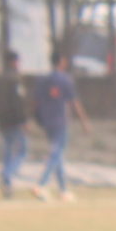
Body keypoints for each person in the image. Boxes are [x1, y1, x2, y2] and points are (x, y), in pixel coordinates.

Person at [31, 50, 88, 200]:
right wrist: (84, 121)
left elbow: (36, 101)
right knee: (56, 153)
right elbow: (74, 102)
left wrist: (37, 116)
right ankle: (41, 184)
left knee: (58, 154)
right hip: (60, 120)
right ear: (61, 62)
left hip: (47, 120)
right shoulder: (65, 80)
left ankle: (63, 190)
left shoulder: (43, 80)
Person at [0, 51, 31, 198]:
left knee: (7, 151)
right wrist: (23, 120)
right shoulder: (15, 80)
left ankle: (7, 187)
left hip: (2, 121)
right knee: (22, 151)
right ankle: (6, 175)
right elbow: (18, 102)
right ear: (14, 62)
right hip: (14, 121)